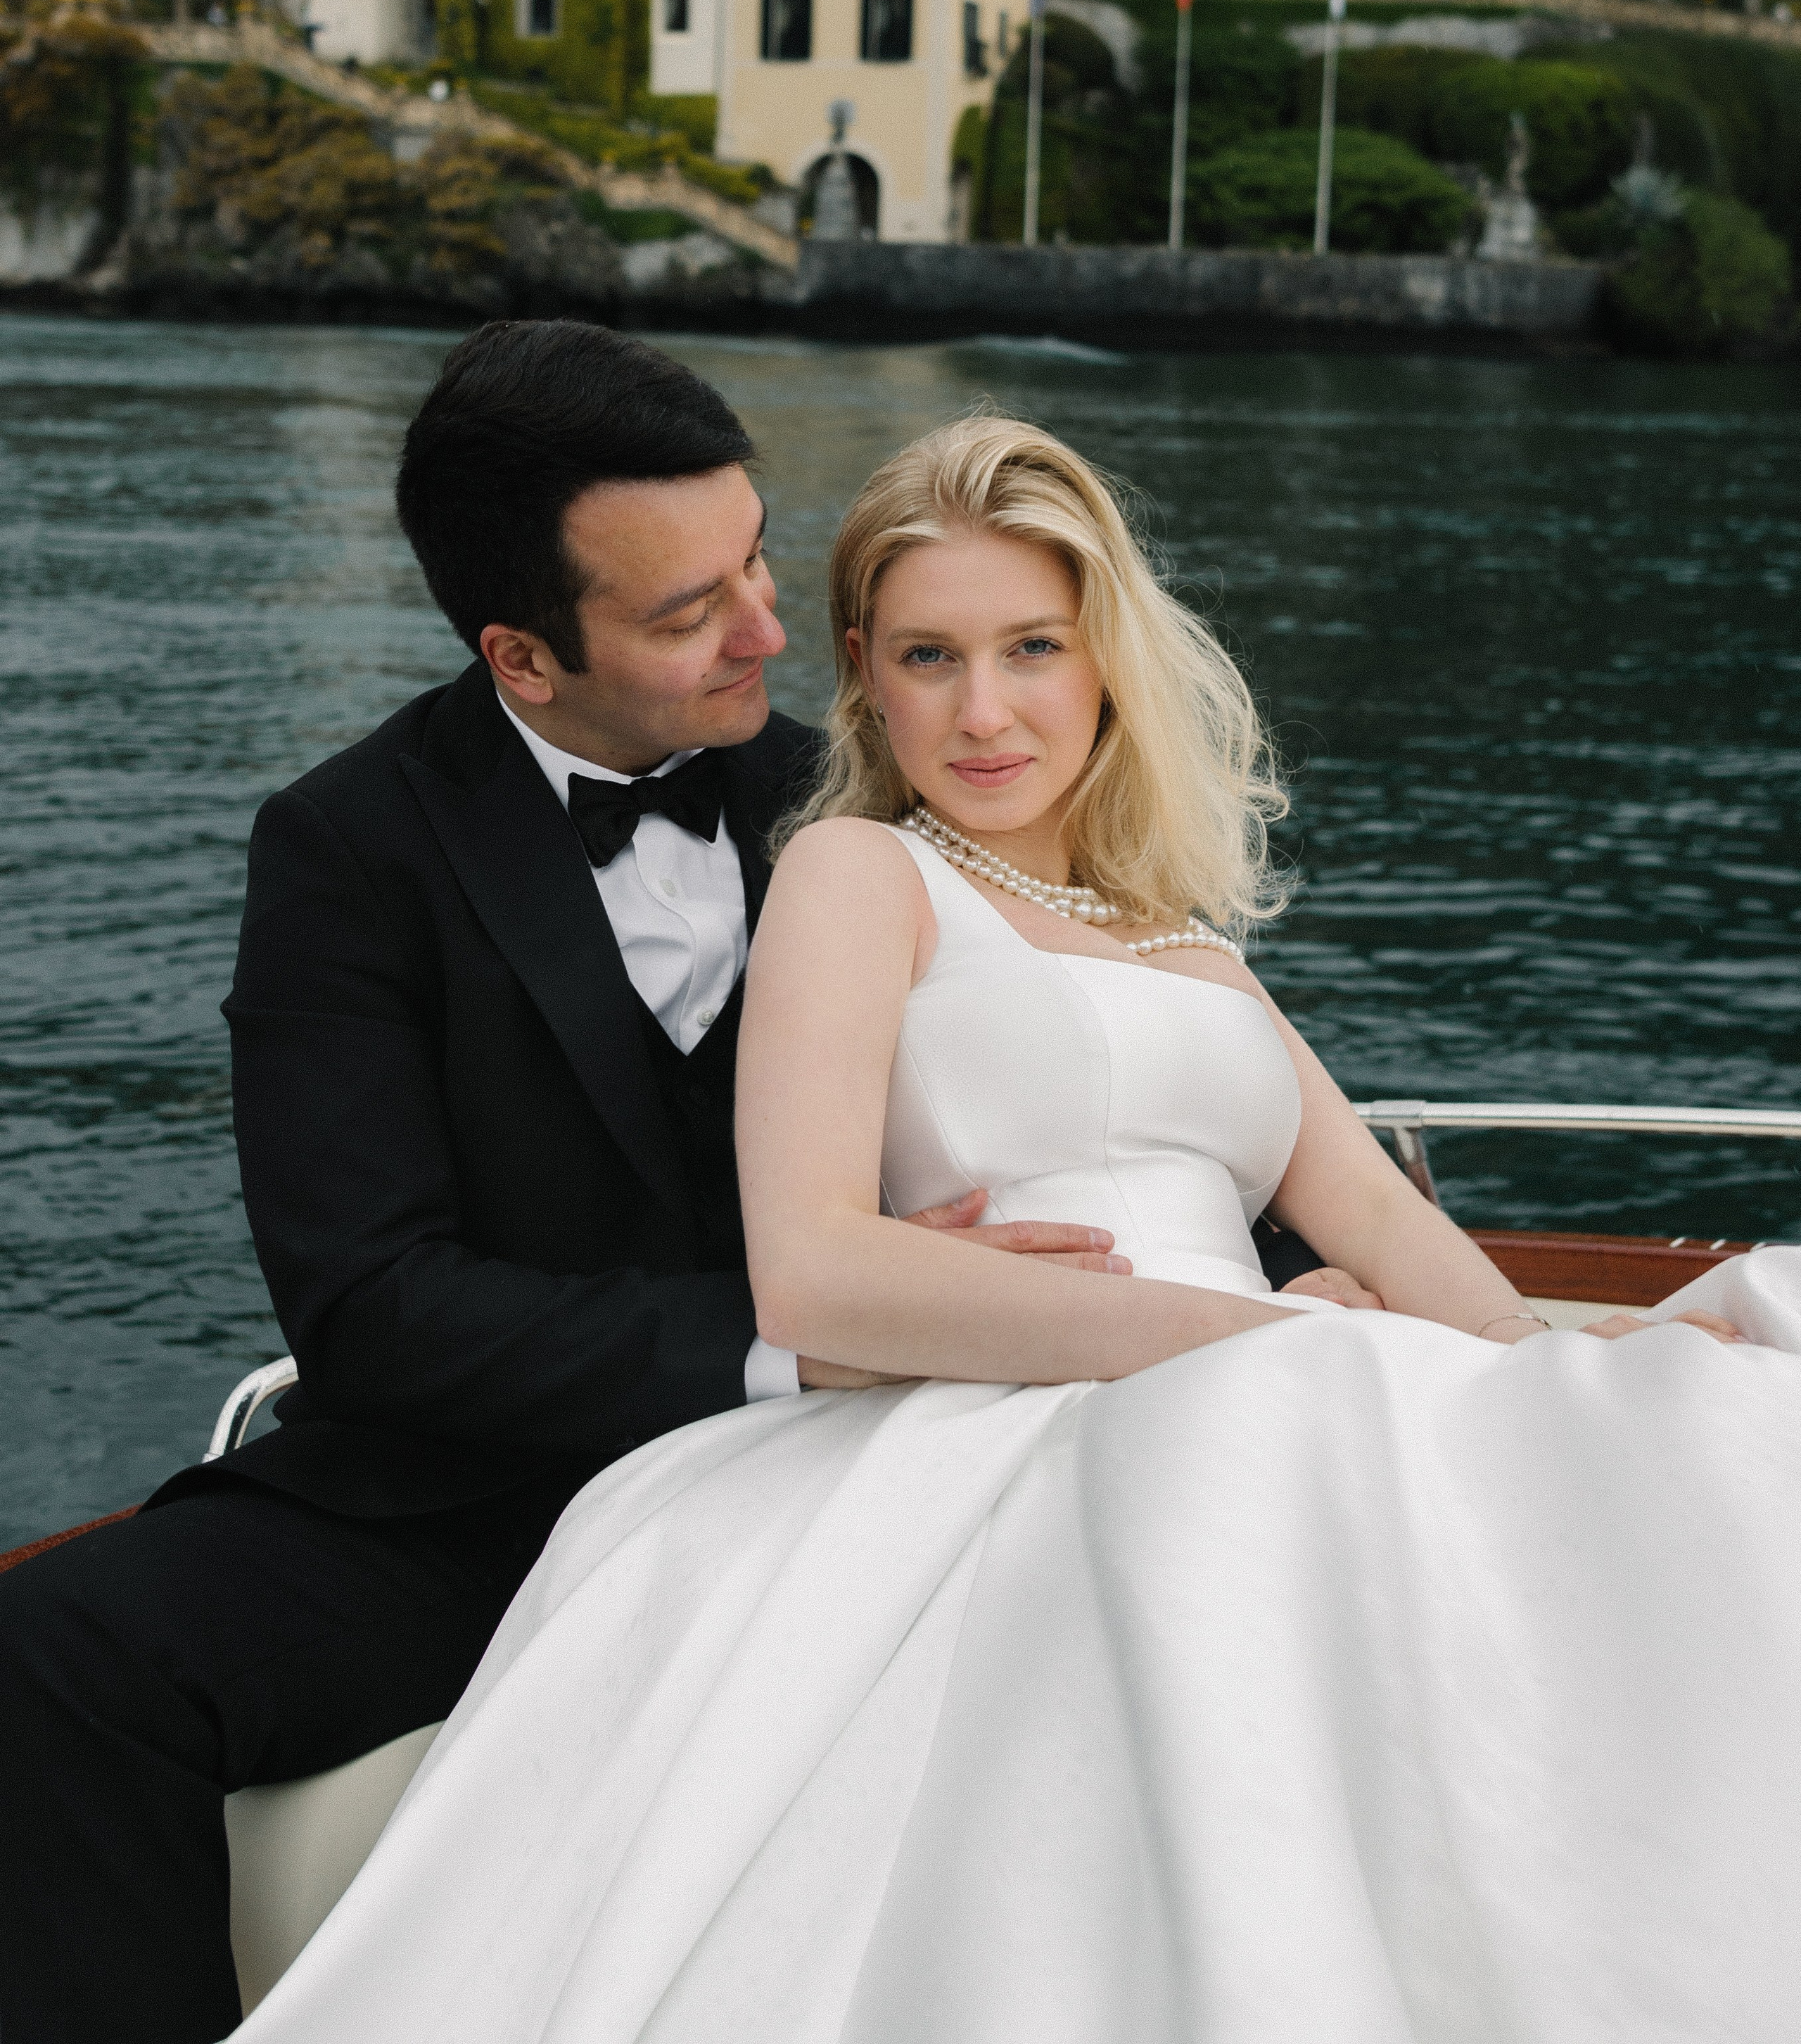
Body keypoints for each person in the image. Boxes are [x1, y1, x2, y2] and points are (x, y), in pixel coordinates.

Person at [230, 413, 1797, 2044]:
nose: (982, 712)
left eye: (1031, 648)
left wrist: (1592, 1357)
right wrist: (1280, 1341)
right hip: (1027, 1416)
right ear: (865, 674)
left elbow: (1416, 1261)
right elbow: (814, 1268)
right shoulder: (853, 871)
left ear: (1102, 657)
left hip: (1284, 1387)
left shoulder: (1182, 943)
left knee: (1727, 1406)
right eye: (929, 655)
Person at [0, 331, 1114, 2044]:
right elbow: (371, 1315)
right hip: (478, 1514)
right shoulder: (347, 850)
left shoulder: (859, 793)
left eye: (754, 555)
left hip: (866, 1468)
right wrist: (803, 1332)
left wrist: (1276, 1251)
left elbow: (1091, 1033)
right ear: (518, 653)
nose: (762, 627)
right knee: (53, 1658)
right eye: (688, 612)